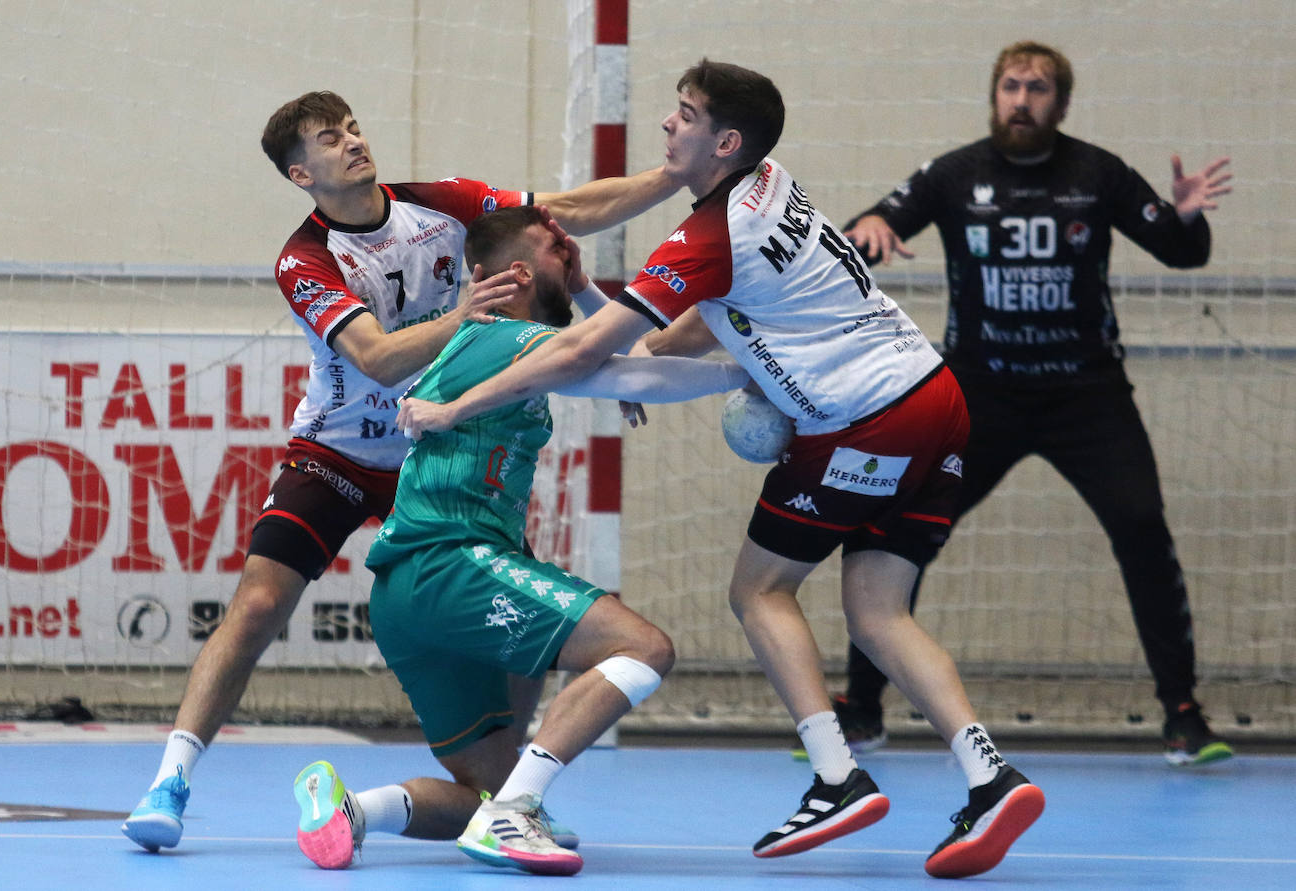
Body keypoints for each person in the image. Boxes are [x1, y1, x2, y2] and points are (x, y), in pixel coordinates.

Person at [397, 59, 1045, 880]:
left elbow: (584, 353)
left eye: (686, 114)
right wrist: (621, 329)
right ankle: (990, 775)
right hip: (938, 399)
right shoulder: (771, 185)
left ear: (726, 141)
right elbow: (684, 337)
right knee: (879, 610)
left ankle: (837, 775)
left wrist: (452, 408)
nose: (669, 125)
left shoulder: (709, 234)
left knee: (759, 589)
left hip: (865, 420)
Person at [121, 90, 681, 853]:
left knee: (513, 615)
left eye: (353, 127)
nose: (353, 142)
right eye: (330, 138)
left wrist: (681, 178)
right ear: (300, 173)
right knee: (257, 604)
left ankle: (503, 789)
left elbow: (566, 213)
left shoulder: (439, 205)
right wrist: (468, 315)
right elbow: (377, 357)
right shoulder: (306, 258)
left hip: (442, 448)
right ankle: (171, 780)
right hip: (343, 449)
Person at [291, 205, 751, 876]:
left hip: (407, 595)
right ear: (514, 271)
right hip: (449, 563)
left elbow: (616, 355)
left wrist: (605, 316)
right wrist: (752, 378)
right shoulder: (498, 333)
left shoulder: (508, 352)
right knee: (643, 647)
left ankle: (351, 809)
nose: (570, 246)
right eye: (555, 241)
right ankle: (518, 811)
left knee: (485, 791)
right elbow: (630, 369)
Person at [835, 40, 1235, 767]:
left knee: (1142, 526)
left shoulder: (1098, 172)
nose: (1023, 99)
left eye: (1039, 88)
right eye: (1012, 86)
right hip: (978, 396)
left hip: (1087, 396)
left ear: (1062, 103)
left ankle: (1183, 713)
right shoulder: (955, 174)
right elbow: (870, 225)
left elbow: (1184, 253)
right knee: (902, 529)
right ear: (994, 96)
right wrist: (867, 232)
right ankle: (861, 708)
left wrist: (1188, 217)